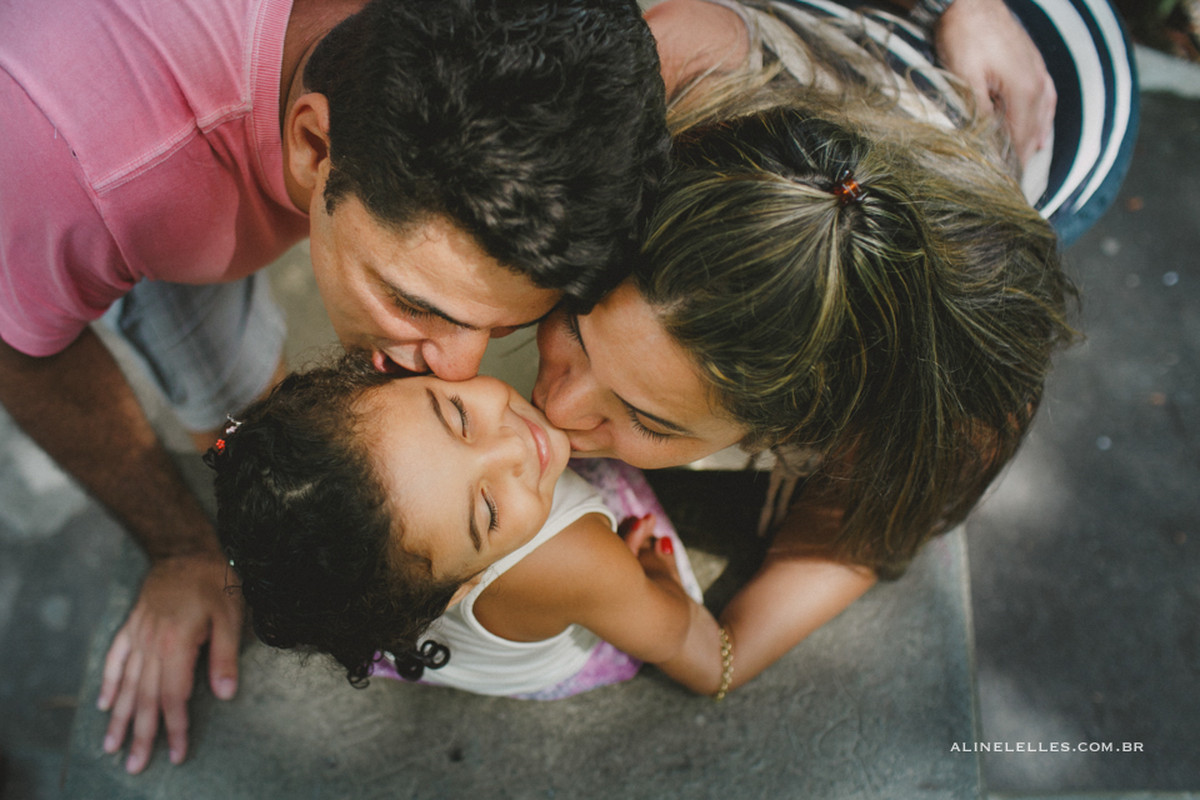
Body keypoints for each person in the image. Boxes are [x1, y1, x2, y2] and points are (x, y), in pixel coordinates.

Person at [0, 0, 669, 772]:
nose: (458, 371)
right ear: (314, 145)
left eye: (507, 324)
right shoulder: (78, 176)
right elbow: (21, 348)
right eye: (417, 303)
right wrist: (180, 547)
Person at [532, 91, 1082, 689]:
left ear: (793, 428)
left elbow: (822, 569)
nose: (558, 407)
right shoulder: (645, 139)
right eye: (575, 327)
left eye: (647, 420)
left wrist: (679, 633)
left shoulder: (957, 404)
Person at [206, 353, 726, 699]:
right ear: (462, 586)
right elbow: (689, 648)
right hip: (565, 603)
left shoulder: (379, 571)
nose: (513, 446)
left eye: (457, 415)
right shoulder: (579, 560)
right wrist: (657, 579)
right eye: (488, 511)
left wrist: (486, 516)